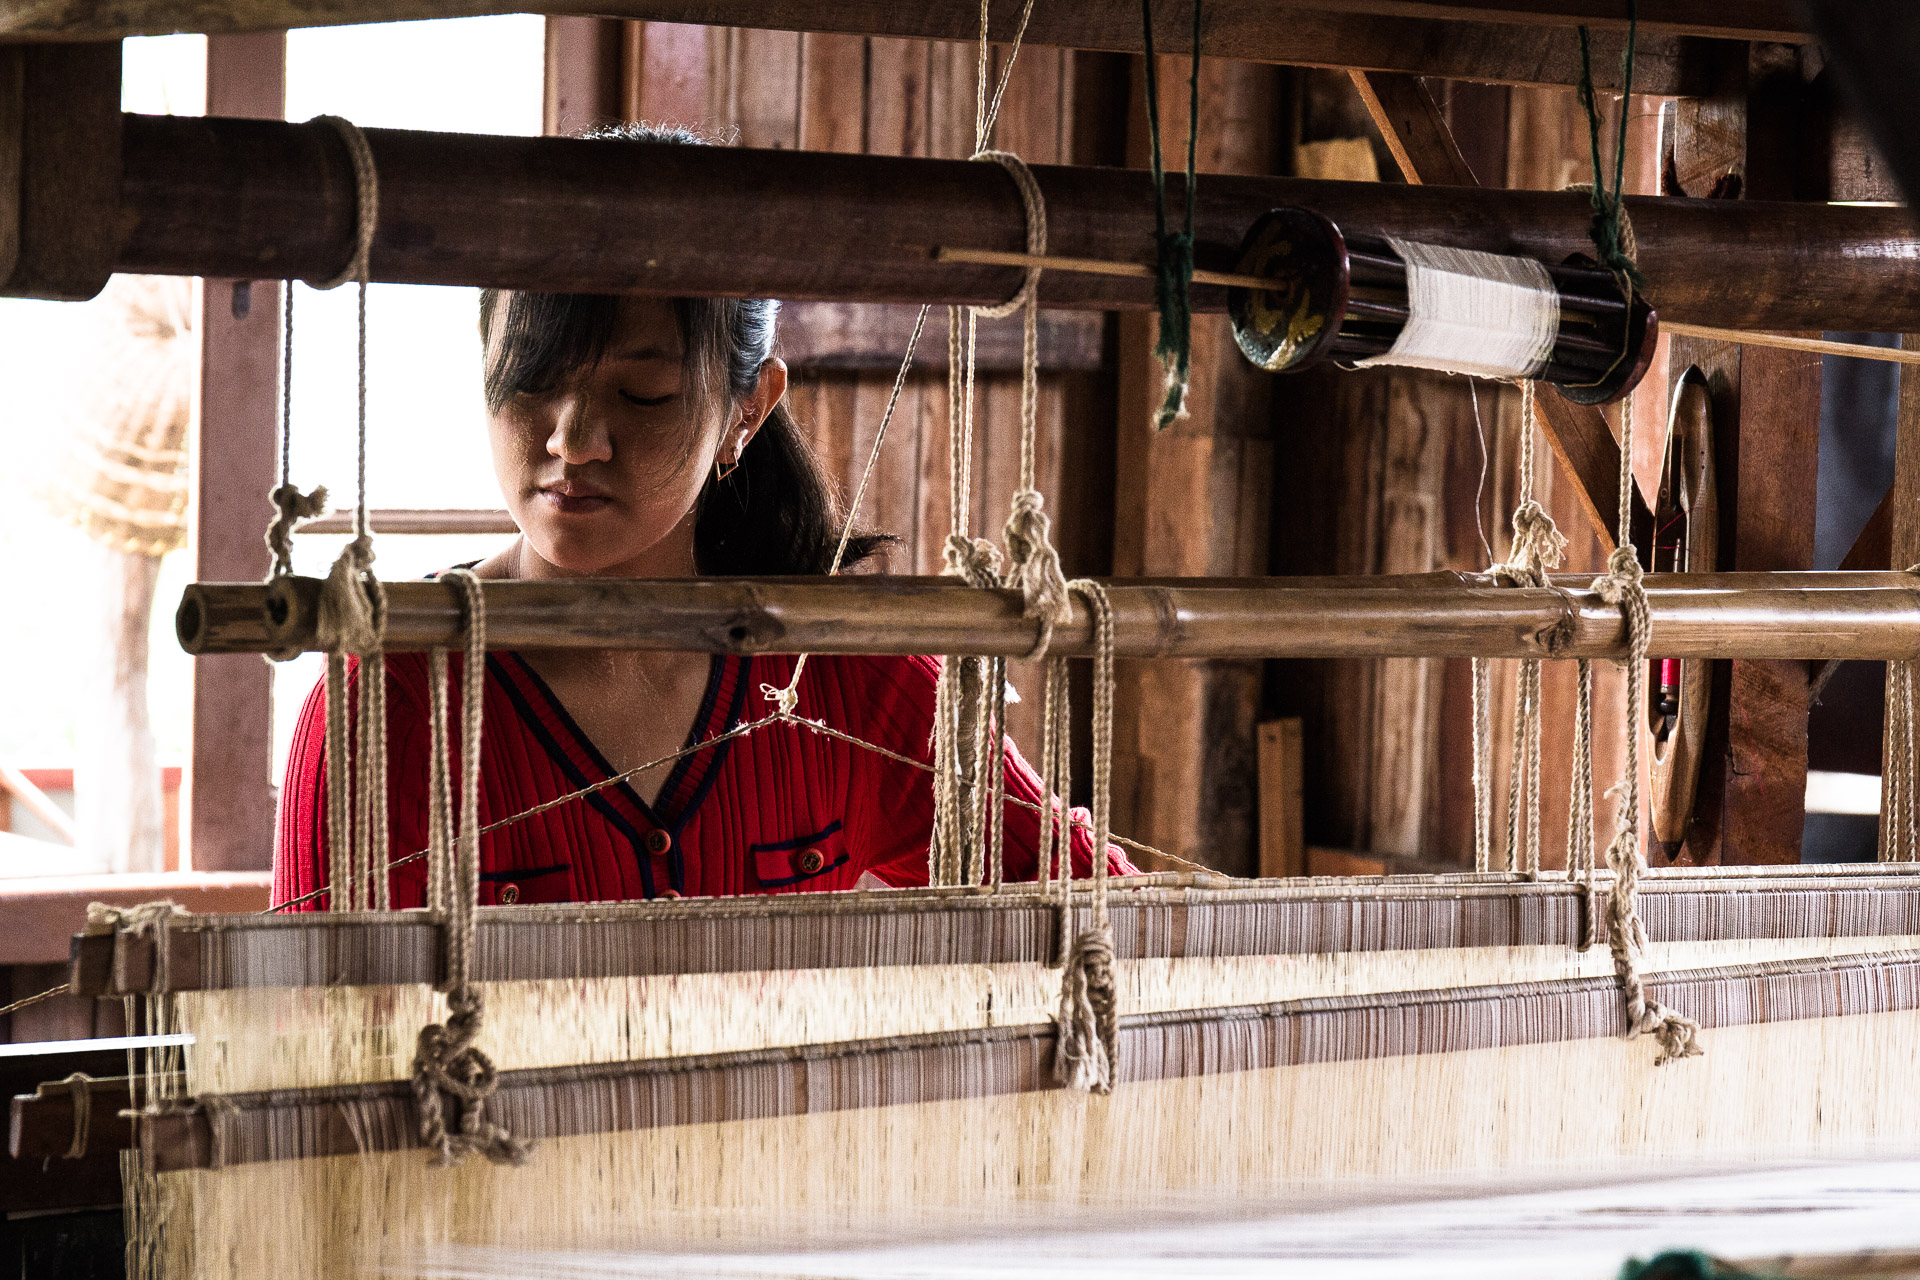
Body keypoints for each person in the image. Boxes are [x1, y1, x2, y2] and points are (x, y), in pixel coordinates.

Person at [272, 127, 1132, 911]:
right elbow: (319, 1041)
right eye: (530, 381)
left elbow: (1098, 907)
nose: (573, 440)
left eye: (641, 393)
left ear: (746, 412)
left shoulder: (840, 677)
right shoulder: (388, 707)